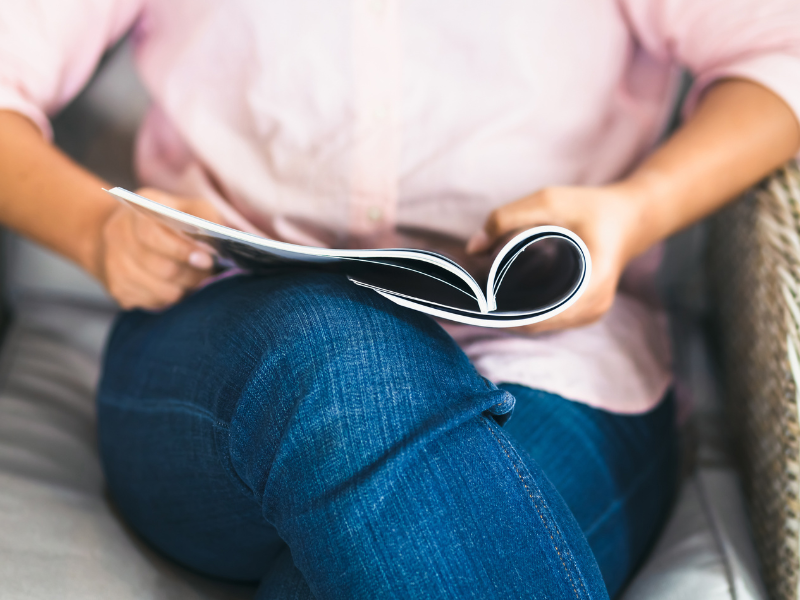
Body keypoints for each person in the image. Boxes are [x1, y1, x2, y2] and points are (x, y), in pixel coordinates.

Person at [1, 1, 799, 598]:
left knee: (387, 554)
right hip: (222, 360)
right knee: (343, 364)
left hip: (555, 368)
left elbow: (779, 51)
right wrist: (98, 227)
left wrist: (637, 210)